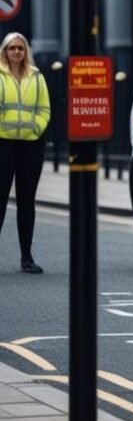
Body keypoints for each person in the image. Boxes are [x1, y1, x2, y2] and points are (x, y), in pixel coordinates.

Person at [0, 32, 51, 273]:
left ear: (25, 51)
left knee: (26, 201)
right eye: (12, 48)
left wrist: (36, 129)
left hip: (31, 145)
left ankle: (26, 257)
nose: (17, 52)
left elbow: (44, 109)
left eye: (20, 48)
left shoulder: (37, 76)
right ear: (5, 51)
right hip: (3, 144)